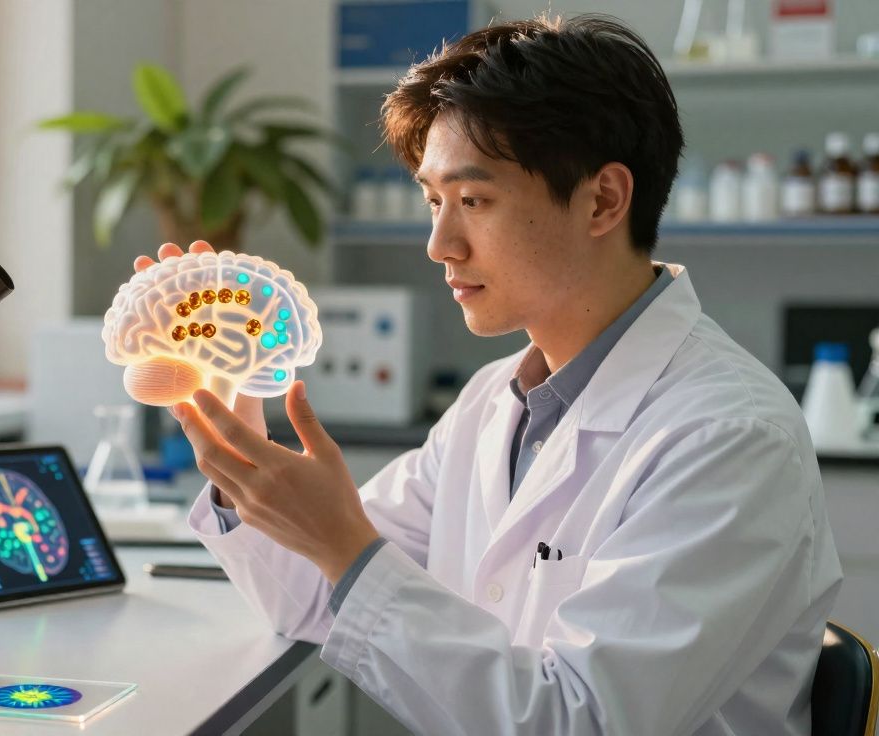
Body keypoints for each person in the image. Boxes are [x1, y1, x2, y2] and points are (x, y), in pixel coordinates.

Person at [131, 14, 842, 736]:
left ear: (603, 200)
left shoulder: (728, 437)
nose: (439, 244)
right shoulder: (492, 405)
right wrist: (237, 437)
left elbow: (583, 722)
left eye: (473, 201)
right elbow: (316, 598)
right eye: (432, 201)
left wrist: (345, 542)